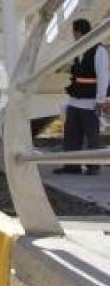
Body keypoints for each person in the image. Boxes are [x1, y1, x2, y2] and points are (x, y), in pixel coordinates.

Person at [54, 19, 109, 175]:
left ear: (77, 32)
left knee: (92, 136)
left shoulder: (99, 51)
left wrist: (100, 101)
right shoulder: (79, 50)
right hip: (75, 101)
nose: (74, 36)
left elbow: (103, 77)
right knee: (71, 135)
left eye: (74, 33)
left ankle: (93, 166)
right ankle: (72, 166)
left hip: (91, 102)